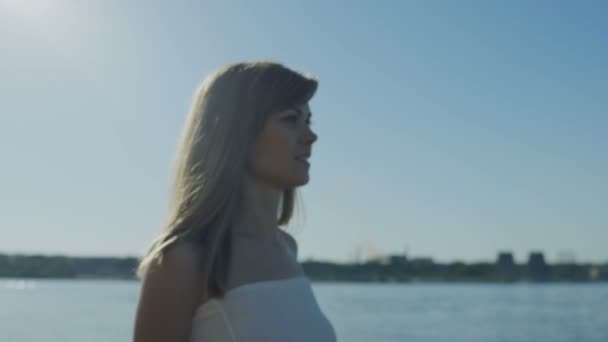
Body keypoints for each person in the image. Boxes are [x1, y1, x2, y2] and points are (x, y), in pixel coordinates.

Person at [133, 61, 337, 342]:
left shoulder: (286, 248)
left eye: (308, 121)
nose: (311, 136)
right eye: (291, 119)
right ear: (238, 131)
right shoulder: (184, 260)